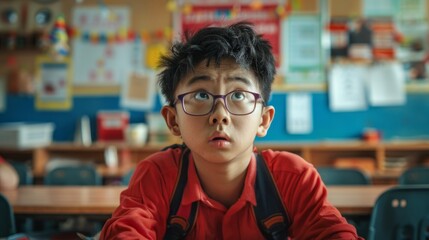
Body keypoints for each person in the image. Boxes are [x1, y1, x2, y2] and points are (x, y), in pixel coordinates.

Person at [100, 22, 363, 239]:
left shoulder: (293, 178)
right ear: (173, 120)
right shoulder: (157, 176)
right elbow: (127, 232)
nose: (220, 115)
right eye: (201, 95)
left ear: (263, 119)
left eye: (238, 95)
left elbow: (332, 232)